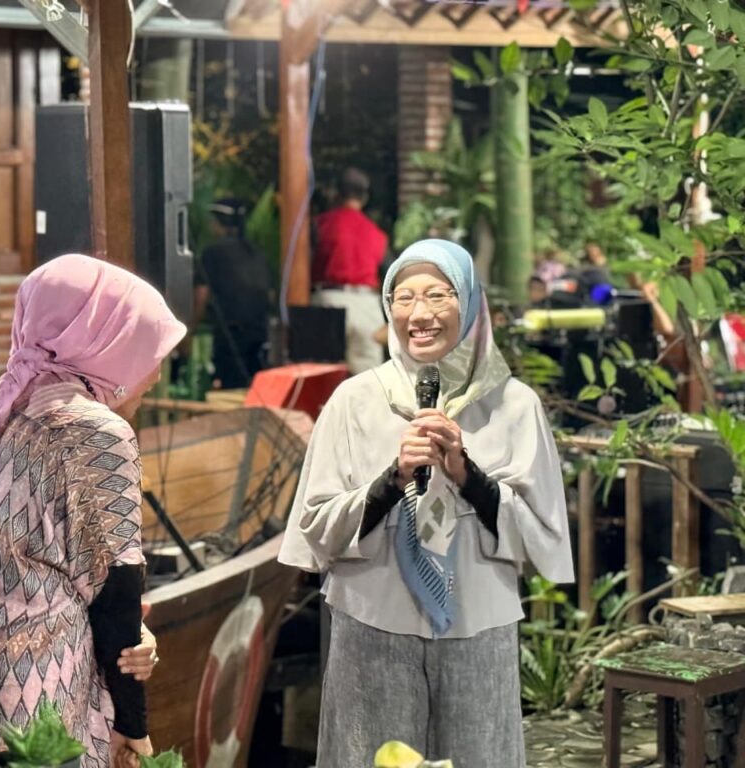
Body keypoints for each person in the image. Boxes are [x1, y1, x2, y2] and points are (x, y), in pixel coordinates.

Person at [279, 239, 574, 767]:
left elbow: (542, 534)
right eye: (404, 297)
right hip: (372, 622)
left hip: (478, 625)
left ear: (470, 301)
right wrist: (392, 479)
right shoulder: (354, 401)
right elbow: (315, 527)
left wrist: (467, 474)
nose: (419, 314)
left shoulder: (515, 405)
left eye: (438, 295)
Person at [0, 254, 187, 768]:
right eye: (146, 348)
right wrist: (133, 728)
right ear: (104, 343)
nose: (155, 373)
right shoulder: (94, 429)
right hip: (22, 698)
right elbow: (115, 592)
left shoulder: (11, 406)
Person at [312, 167, 389, 374]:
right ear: (364, 198)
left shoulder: (321, 224)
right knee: (369, 378)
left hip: (328, 300)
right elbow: (390, 273)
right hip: (366, 304)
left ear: (336, 194)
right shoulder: (376, 233)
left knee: (323, 375)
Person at [194, 199, 270, 389]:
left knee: (230, 388)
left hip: (230, 335)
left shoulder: (213, 253)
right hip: (260, 333)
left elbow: (201, 295)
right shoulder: (258, 253)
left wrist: (190, 328)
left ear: (219, 224)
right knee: (253, 387)